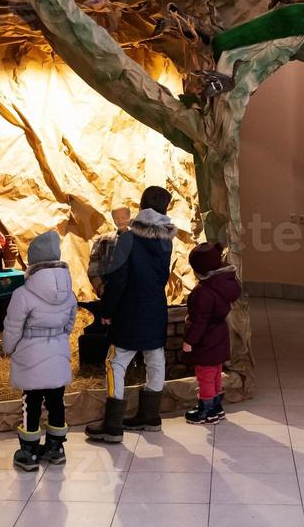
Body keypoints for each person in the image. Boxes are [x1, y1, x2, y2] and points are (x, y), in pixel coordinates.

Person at [86, 186, 177, 443]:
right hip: (155, 307)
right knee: (155, 360)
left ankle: (112, 425)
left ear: (141, 204)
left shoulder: (128, 239)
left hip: (129, 309)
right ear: (165, 209)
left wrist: (107, 310)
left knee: (116, 362)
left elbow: (118, 279)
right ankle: (150, 416)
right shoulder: (167, 240)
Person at [2, 231, 77, 470]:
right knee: (56, 400)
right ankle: (56, 449)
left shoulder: (22, 294)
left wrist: (8, 348)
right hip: (57, 352)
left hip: (30, 355)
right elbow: (70, 324)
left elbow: (13, 328)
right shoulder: (69, 293)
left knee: (31, 402)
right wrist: (57, 339)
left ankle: (29, 452)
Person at [181, 243, 241, 425]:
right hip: (220, 336)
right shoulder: (223, 285)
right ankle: (216, 407)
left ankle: (206, 411)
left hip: (206, 340)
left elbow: (199, 322)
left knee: (205, 375)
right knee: (215, 372)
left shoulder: (204, 293)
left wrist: (189, 341)